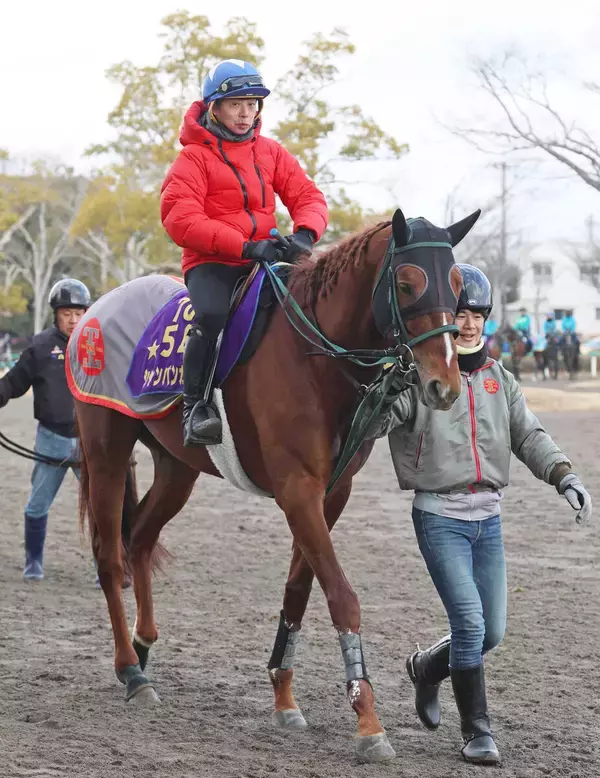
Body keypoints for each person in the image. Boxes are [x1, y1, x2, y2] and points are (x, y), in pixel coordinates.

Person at [375, 265, 592, 765]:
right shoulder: (418, 380)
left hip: (488, 521)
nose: (469, 323)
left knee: (491, 632)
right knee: (471, 625)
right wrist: (385, 386)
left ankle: (428, 668)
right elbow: (375, 423)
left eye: (478, 314)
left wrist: (564, 475)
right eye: (461, 314)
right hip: (439, 517)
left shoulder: (501, 380)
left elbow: (529, 435)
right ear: (445, 317)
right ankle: (477, 731)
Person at [161, 59, 328, 447]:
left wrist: (305, 234)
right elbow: (180, 219)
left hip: (266, 257)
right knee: (212, 315)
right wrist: (245, 245)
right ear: (214, 108)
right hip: (212, 262)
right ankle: (195, 407)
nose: (244, 113)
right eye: (235, 104)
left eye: (252, 104)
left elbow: (308, 195)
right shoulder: (192, 158)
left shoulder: (271, 152)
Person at [0, 279, 91, 581]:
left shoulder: (97, 344)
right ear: (56, 314)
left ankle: (107, 566)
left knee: (101, 509)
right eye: (67, 314)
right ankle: (33, 562)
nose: (73, 320)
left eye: (78, 313)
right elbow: (13, 383)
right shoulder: (39, 347)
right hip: (50, 439)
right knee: (37, 505)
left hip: (90, 442)